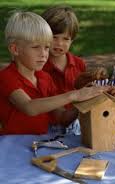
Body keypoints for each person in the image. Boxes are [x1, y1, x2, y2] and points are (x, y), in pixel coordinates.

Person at [0, 11, 107, 135]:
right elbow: (29, 107)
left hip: (40, 142)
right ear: (15, 49)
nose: (43, 54)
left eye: (46, 47)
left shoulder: (44, 78)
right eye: (36, 47)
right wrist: (75, 95)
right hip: (11, 144)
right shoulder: (6, 77)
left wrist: (85, 99)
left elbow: (62, 118)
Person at [41, 5, 106, 134]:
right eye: (54, 37)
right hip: (46, 126)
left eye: (65, 39)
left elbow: (82, 89)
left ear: (72, 40)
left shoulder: (78, 63)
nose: (59, 44)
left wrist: (94, 80)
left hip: (74, 123)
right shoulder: (39, 66)